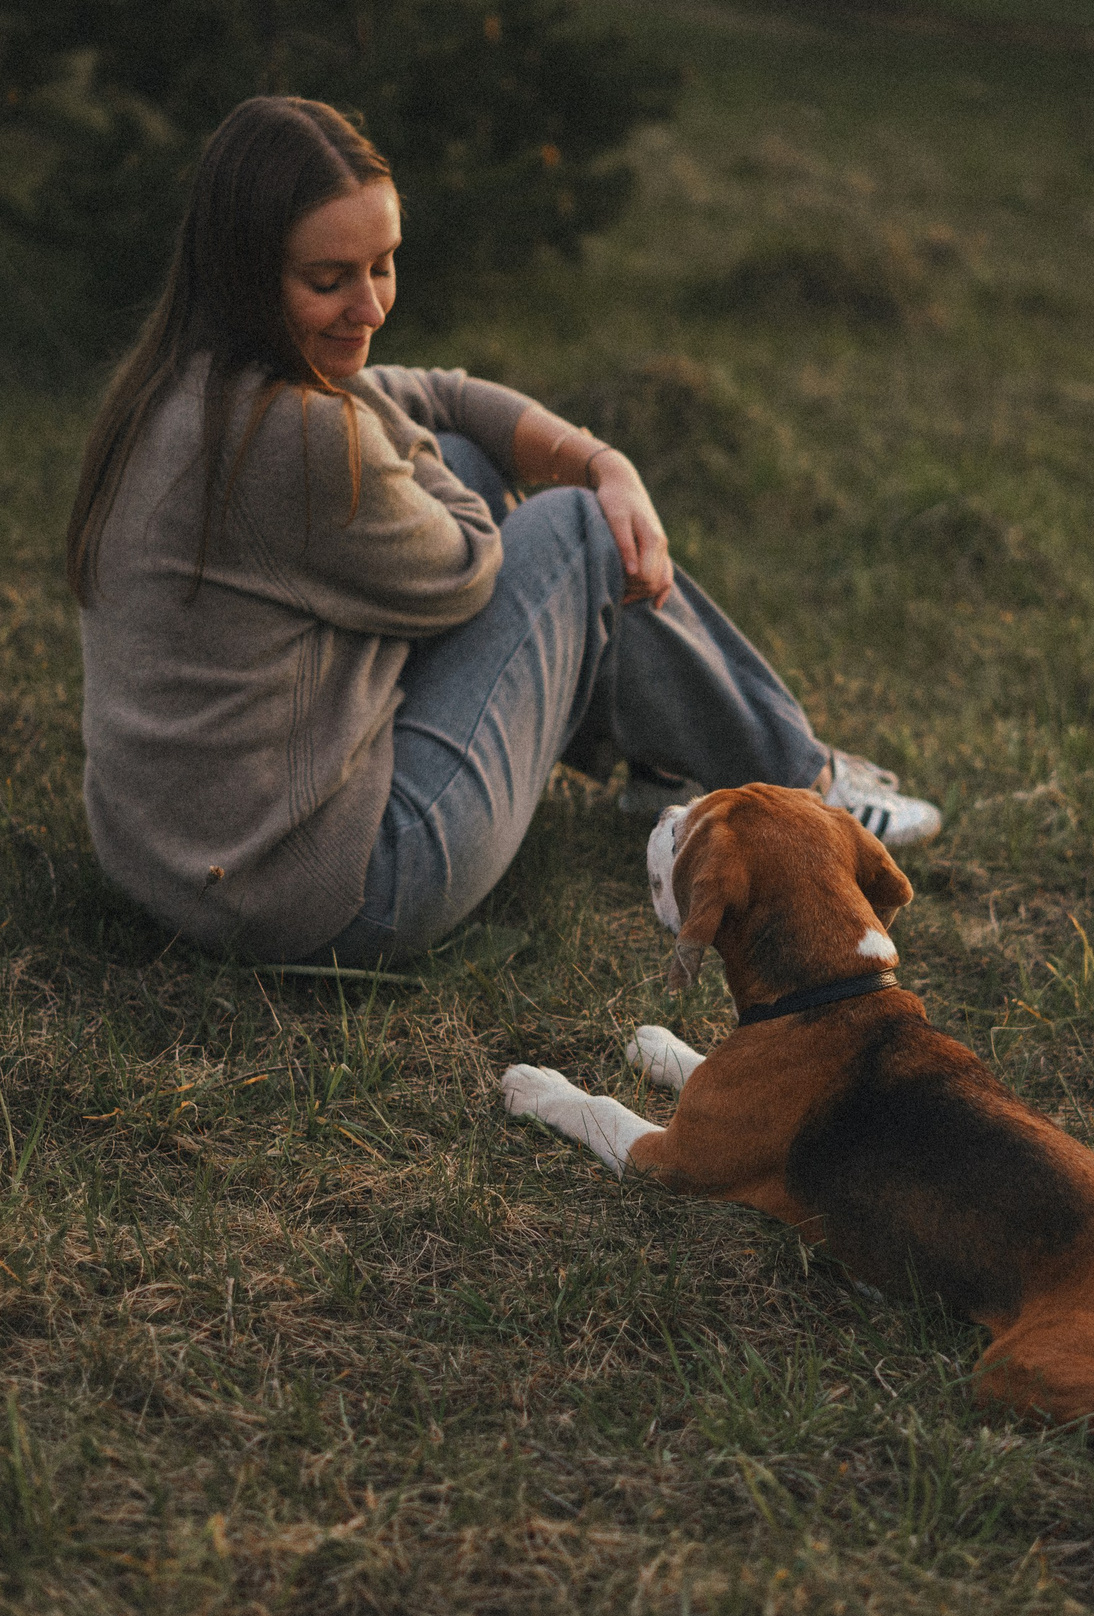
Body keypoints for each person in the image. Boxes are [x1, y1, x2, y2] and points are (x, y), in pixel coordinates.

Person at [64, 95, 940, 967]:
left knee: (476, 455)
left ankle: (679, 764)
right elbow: (475, 564)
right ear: (246, 273)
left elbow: (437, 392)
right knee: (572, 530)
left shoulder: (188, 379)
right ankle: (808, 786)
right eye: (328, 281)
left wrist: (604, 458)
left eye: (384, 265)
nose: (369, 307)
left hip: (175, 868)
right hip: (331, 896)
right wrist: (572, 487)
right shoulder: (300, 436)